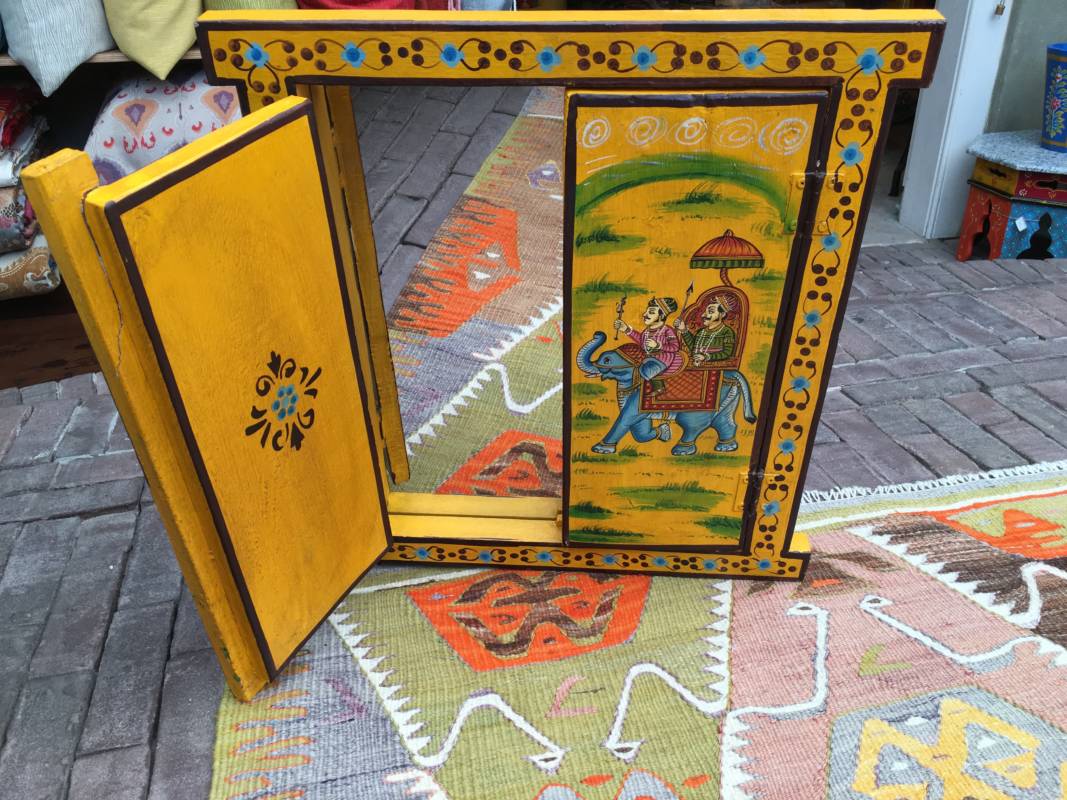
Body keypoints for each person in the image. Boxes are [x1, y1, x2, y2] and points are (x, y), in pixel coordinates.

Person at [613, 296, 682, 396]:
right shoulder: (646, 331)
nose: (645, 314)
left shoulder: (667, 330)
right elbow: (641, 341)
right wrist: (626, 329)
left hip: (663, 359)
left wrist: (658, 345)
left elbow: (675, 347)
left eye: (651, 312)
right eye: (646, 311)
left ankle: (658, 388)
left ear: (661, 316)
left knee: (647, 369)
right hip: (648, 358)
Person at [675, 294, 737, 365]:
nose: (703, 315)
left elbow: (727, 353)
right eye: (705, 312)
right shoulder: (701, 331)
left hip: (715, 367)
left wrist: (706, 357)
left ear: (722, 314)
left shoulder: (727, 331)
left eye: (710, 312)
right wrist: (683, 330)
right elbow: (693, 348)